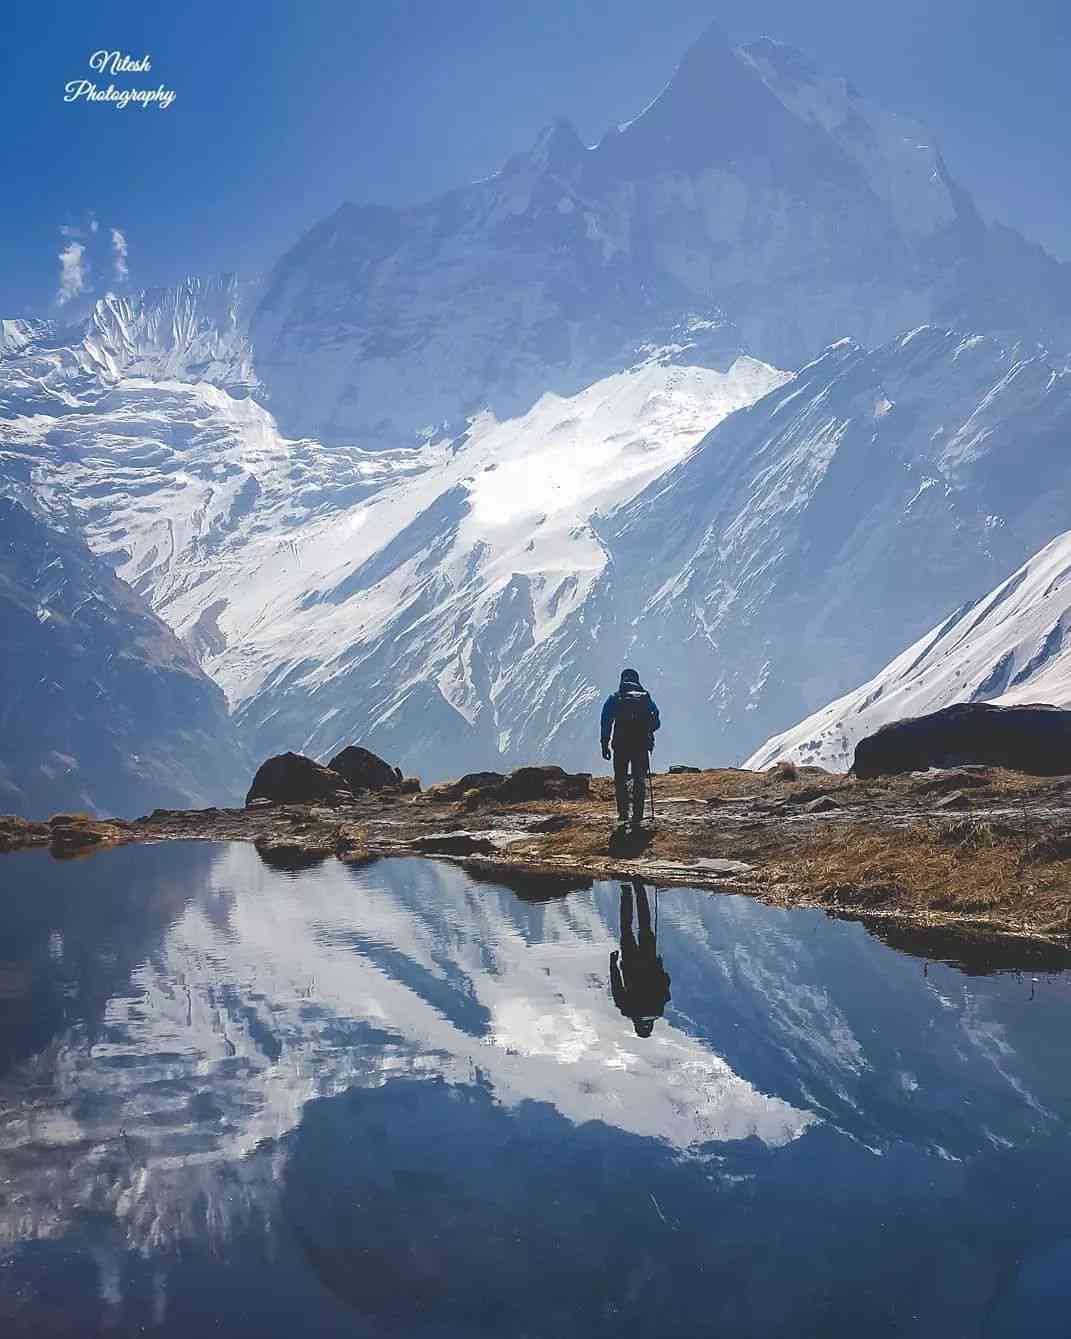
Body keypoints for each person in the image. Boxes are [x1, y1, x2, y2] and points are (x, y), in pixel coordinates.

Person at [600, 667, 660, 829]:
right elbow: (657, 720)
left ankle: (623, 813)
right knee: (639, 778)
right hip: (640, 744)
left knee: (620, 779)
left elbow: (606, 720)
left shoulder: (615, 698)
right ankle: (638, 814)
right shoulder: (646, 698)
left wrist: (604, 743)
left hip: (620, 745)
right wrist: (646, 731)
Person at [610, 881, 671, 1037]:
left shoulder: (658, 1009)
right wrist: (613, 964)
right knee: (626, 929)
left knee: (645, 926)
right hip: (630, 964)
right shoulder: (628, 1010)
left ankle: (639, 888)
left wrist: (659, 968)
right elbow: (617, 986)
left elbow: (665, 982)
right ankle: (626, 891)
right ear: (637, 1026)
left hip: (649, 960)